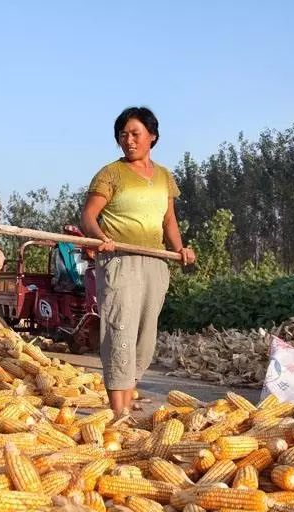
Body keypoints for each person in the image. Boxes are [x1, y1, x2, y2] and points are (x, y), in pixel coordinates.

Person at [80, 106, 196, 416]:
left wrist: (181, 249)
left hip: (156, 263)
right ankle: (120, 415)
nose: (128, 140)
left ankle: (127, 402)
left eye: (135, 134)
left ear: (152, 137)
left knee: (144, 341)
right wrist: (100, 236)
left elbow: (169, 221)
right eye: (123, 135)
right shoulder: (111, 173)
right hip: (121, 260)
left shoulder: (164, 177)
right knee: (120, 332)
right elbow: (88, 216)